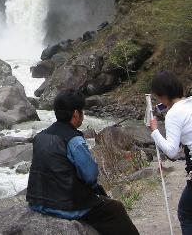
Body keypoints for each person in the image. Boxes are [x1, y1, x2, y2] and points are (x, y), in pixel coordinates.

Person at [26, 89, 139, 235]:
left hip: (37, 202)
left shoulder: (40, 136)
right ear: (75, 114)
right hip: (65, 205)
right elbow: (90, 175)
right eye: (82, 112)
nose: (83, 116)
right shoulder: (74, 140)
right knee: (115, 209)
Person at [150, 71, 192, 234]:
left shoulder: (173, 114)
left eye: (159, 97)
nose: (159, 101)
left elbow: (172, 152)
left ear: (164, 96)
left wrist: (154, 131)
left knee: (186, 213)